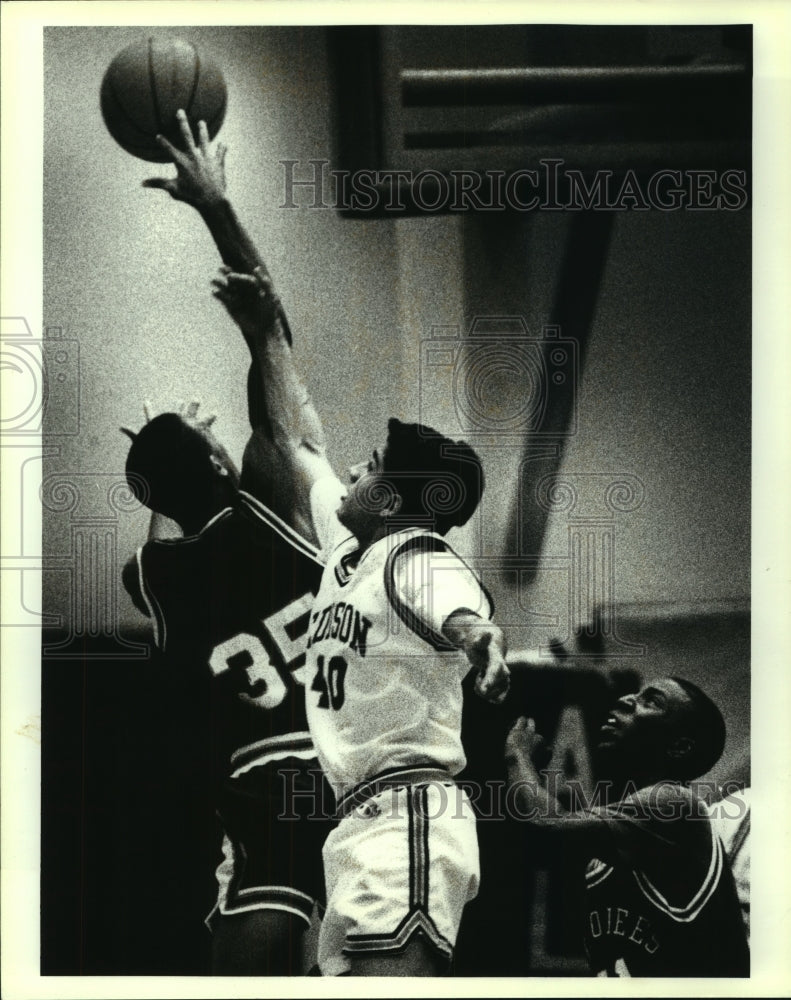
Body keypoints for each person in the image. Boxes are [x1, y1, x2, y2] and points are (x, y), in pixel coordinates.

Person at [122, 113, 332, 975]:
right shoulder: (277, 487)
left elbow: (160, 522)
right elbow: (270, 323)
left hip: (259, 786)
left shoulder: (156, 577)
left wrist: (160, 473)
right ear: (217, 457)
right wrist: (215, 204)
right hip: (354, 764)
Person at [277, 415, 512, 976]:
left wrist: (486, 648)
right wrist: (264, 336)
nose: (353, 469)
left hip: (408, 818)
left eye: (371, 464)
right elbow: (297, 444)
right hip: (359, 822)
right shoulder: (346, 552)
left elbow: (468, 622)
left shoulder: (417, 554)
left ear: (387, 500)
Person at [504, 676, 750, 977]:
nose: (625, 700)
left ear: (679, 747)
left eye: (652, 701)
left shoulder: (674, 804)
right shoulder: (610, 849)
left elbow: (547, 825)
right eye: (636, 694)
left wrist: (517, 755)